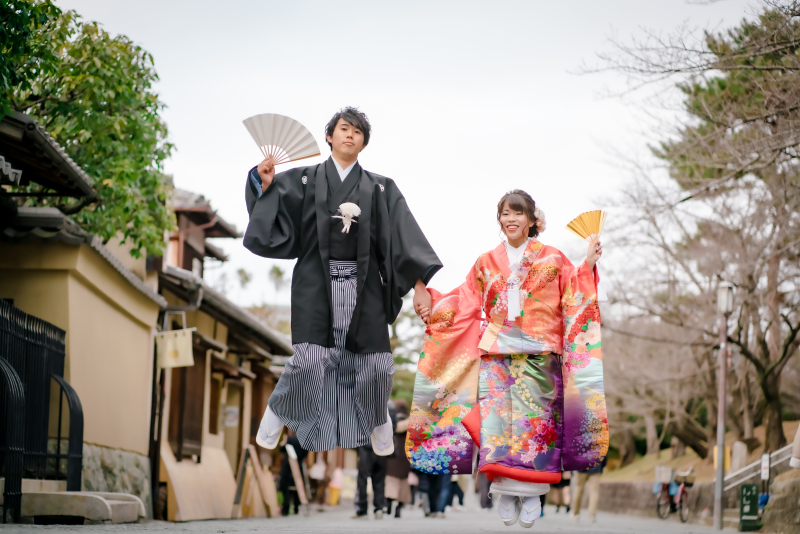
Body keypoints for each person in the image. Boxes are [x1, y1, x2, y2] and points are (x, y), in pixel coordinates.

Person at [406, 190, 609, 529]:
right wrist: (434, 304)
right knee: (498, 424)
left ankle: (531, 494)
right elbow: (465, 300)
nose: (510, 219)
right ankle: (502, 488)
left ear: (533, 220)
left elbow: (575, 293)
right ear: (499, 219)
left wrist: (587, 263)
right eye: (505, 213)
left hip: (541, 354)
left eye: (518, 213)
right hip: (497, 354)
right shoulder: (486, 262)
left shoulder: (554, 258)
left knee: (535, 425)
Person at [246, 107, 442, 454]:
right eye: (344, 128)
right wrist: (261, 183)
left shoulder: (381, 188)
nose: (350, 135)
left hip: (364, 284)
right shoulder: (304, 180)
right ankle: (278, 412)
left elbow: (403, 237)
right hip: (316, 284)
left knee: (377, 365)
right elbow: (271, 206)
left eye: (358, 132)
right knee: (309, 360)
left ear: (364, 143)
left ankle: (378, 417)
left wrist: (419, 286)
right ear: (329, 136)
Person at [354, 400, 396, 519]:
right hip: (382, 448)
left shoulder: (363, 404)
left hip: (366, 448)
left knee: (362, 479)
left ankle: (362, 509)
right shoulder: (390, 405)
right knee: (379, 479)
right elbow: (395, 426)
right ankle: (379, 508)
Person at [386, 399, 412, 518]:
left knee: (391, 480)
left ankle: (389, 503)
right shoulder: (410, 422)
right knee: (403, 481)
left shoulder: (391, 421)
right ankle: (399, 508)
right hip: (405, 457)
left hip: (393, 454)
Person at [278, 431, 308, 516]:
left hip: (288, 466)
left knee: (286, 487)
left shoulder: (289, 439)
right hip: (298, 465)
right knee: (297, 487)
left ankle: (285, 508)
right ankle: (296, 508)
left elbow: (281, 449)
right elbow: (305, 454)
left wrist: (283, 443)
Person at [572, 456, 607, 523]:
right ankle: (592, 515)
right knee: (594, 491)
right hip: (595, 467)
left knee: (579, 489)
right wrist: (602, 465)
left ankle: (576, 514)